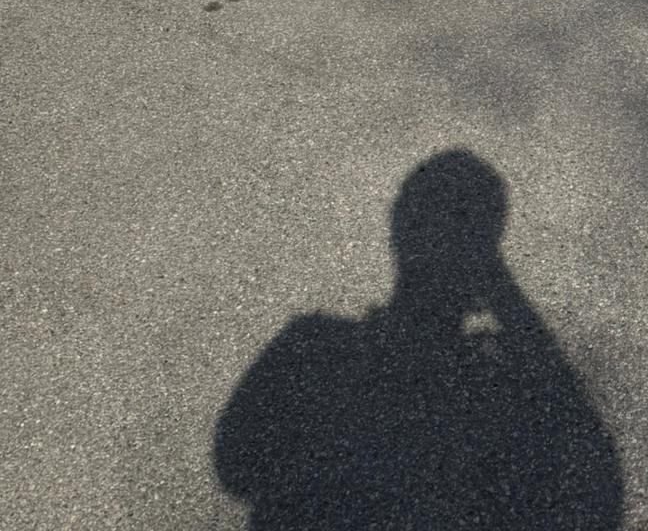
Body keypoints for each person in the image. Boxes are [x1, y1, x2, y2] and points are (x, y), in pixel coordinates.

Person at [214, 150, 623, 530]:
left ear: (398, 229)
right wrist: (494, 281)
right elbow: (591, 477)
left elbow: (235, 465)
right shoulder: (316, 344)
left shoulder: (312, 344)